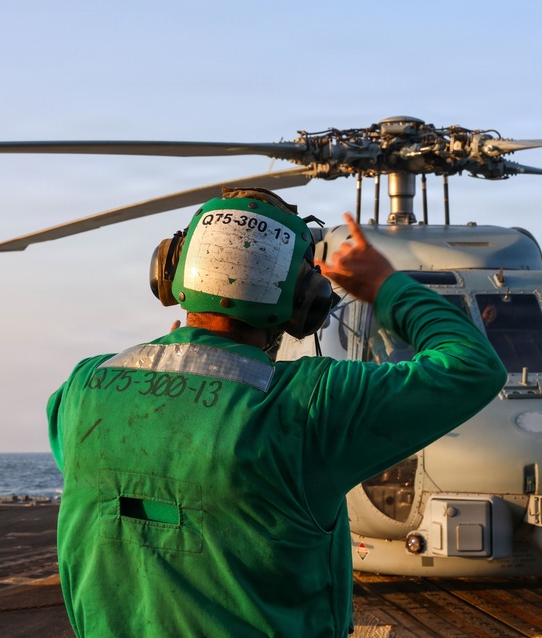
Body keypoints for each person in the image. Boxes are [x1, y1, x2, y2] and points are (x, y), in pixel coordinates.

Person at [46, 188, 507, 637]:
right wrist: (386, 286)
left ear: (169, 271)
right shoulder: (312, 403)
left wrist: (172, 372)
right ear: (305, 301)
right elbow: (473, 367)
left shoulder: (83, 387)